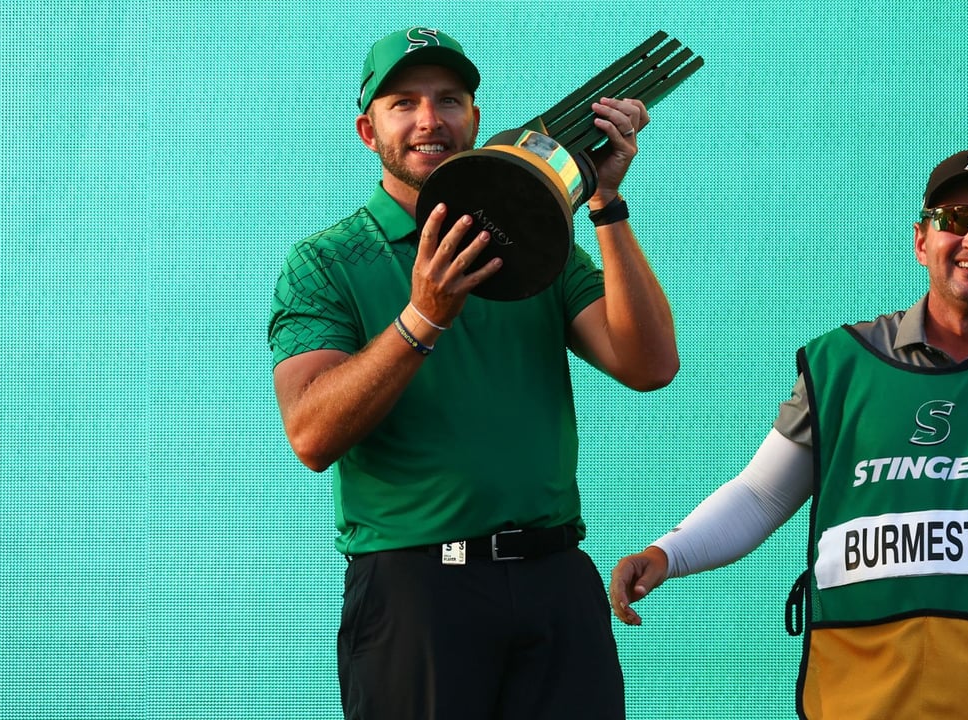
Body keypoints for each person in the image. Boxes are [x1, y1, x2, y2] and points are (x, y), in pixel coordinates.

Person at [610, 148, 968, 719]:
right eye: (954, 221)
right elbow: (762, 495)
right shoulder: (841, 367)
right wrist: (667, 553)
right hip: (856, 693)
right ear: (921, 241)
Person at [268, 26, 678, 720]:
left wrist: (605, 202)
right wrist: (421, 318)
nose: (430, 120)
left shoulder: (534, 238)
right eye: (404, 103)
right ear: (369, 130)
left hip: (555, 580)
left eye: (449, 100)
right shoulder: (327, 264)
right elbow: (311, 434)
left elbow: (649, 365)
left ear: (476, 122)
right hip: (417, 590)